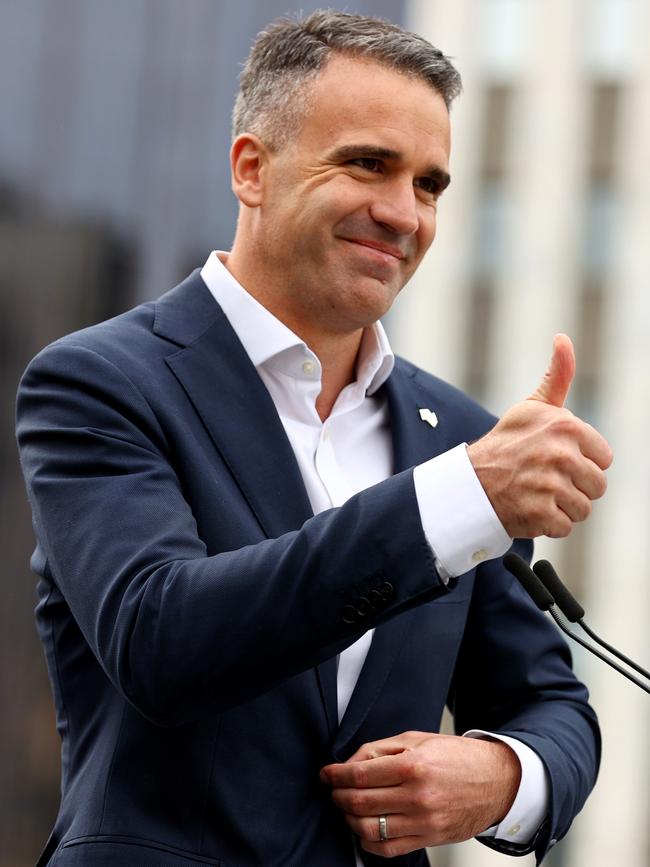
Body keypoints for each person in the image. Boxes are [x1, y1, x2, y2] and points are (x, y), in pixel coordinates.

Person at [16, 11, 612, 867]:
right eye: (370, 164)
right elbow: (159, 639)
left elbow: (551, 704)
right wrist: (458, 497)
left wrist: (503, 774)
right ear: (252, 169)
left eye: (431, 184)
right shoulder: (97, 382)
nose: (404, 213)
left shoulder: (462, 440)